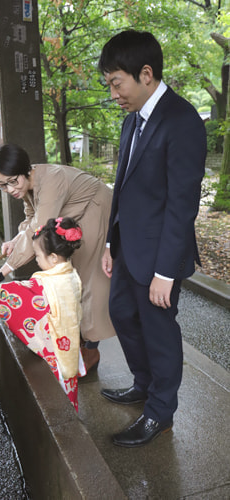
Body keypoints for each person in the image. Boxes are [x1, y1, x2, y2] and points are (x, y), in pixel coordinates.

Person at [99, 30, 206, 447]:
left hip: (160, 253)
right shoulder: (133, 119)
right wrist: (110, 242)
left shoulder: (182, 121)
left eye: (116, 83)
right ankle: (143, 386)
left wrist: (165, 271)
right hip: (128, 246)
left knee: (159, 330)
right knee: (123, 314)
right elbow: (122, 186)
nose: (113, 94)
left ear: (145, 74)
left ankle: (160, 412)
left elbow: (183, 204)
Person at [0, 143, 116, 370]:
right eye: (2, 184)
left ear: (25, 170)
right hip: (76, 219)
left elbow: (38, 230)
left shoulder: (52, 179)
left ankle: (91, 351)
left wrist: (0, 274)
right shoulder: (27, 184)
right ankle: (75, 342)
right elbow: (30, 218)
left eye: (13, 181)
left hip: (97, 212)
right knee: (71, 278)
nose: (10, 189)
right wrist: (15, 240)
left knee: (90, 282)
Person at [0, 217, 86, 411]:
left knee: (55, 398)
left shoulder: (45, 283)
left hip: (55, 348)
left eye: (37, 255)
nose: (36, 260)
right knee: (68, 389)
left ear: (54, 257)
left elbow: (18, 294)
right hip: (69, 342)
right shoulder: (71, 275)